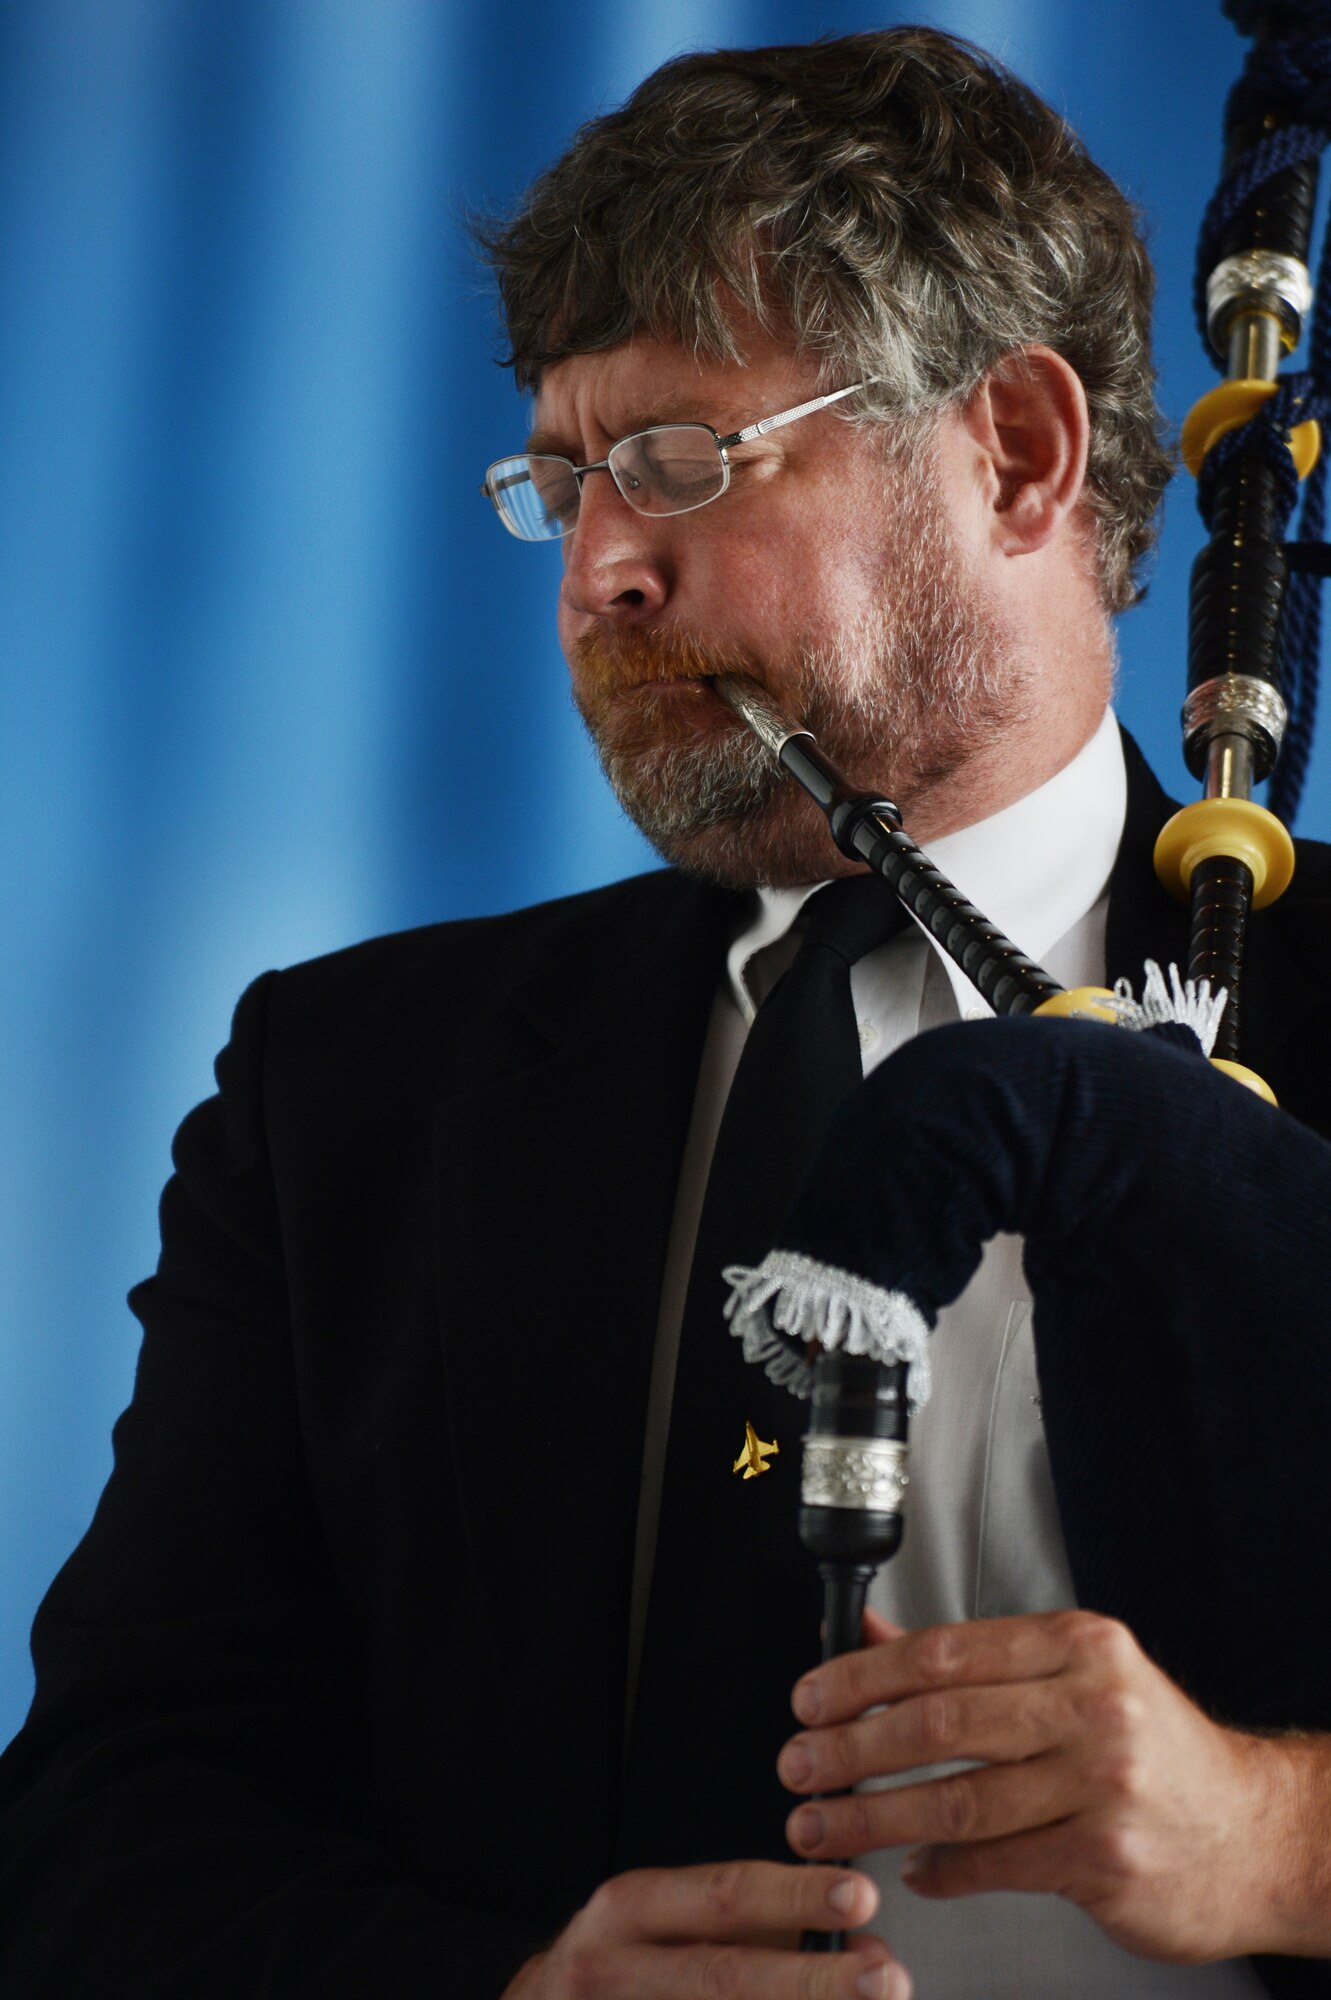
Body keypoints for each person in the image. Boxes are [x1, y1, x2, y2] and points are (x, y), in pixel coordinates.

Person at [1, 24, 1329, 2000]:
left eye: (681, 461)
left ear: (1019, 454)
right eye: (560, 481)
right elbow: (107, 1825)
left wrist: (1288, 1836)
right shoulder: (346, 1090)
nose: (601, 568)